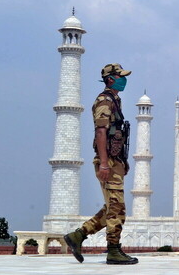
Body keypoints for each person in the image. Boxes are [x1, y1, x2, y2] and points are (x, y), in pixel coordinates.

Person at [64, 63, 138, 265]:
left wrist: (121, 160)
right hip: (108, 162)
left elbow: (117, 134)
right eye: (121, 76)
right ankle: (113, 250)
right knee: (117, 209)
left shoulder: (115, 100)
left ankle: (78, 235)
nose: (124, 79)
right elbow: (101, 132)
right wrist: (105, 163)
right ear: (111, 79)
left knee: (112, 207)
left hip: (116, 161)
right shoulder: (105, 101)